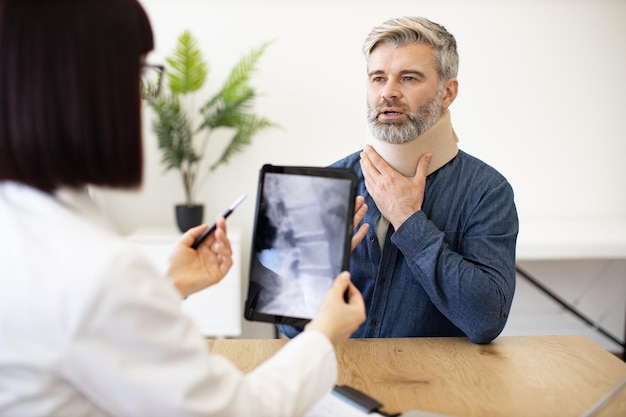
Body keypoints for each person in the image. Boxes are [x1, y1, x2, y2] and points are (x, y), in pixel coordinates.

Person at [0, 1, 367, 416]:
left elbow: (91, 342)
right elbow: (235, 411)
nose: (142, 96)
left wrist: (168, 286)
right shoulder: (95, 270)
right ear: (88, 88)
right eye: (138, 72)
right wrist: (323, 333)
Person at [279, 16, 518, 344]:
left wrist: (408, 220)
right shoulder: (330, 185)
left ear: (447, 92)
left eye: (408, 78)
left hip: (443, 385)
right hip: (345, 380)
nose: (388, 92)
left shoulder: (487, 193)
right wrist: (318, 271)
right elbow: (289, 327)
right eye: (378, 78)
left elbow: (486, 320)